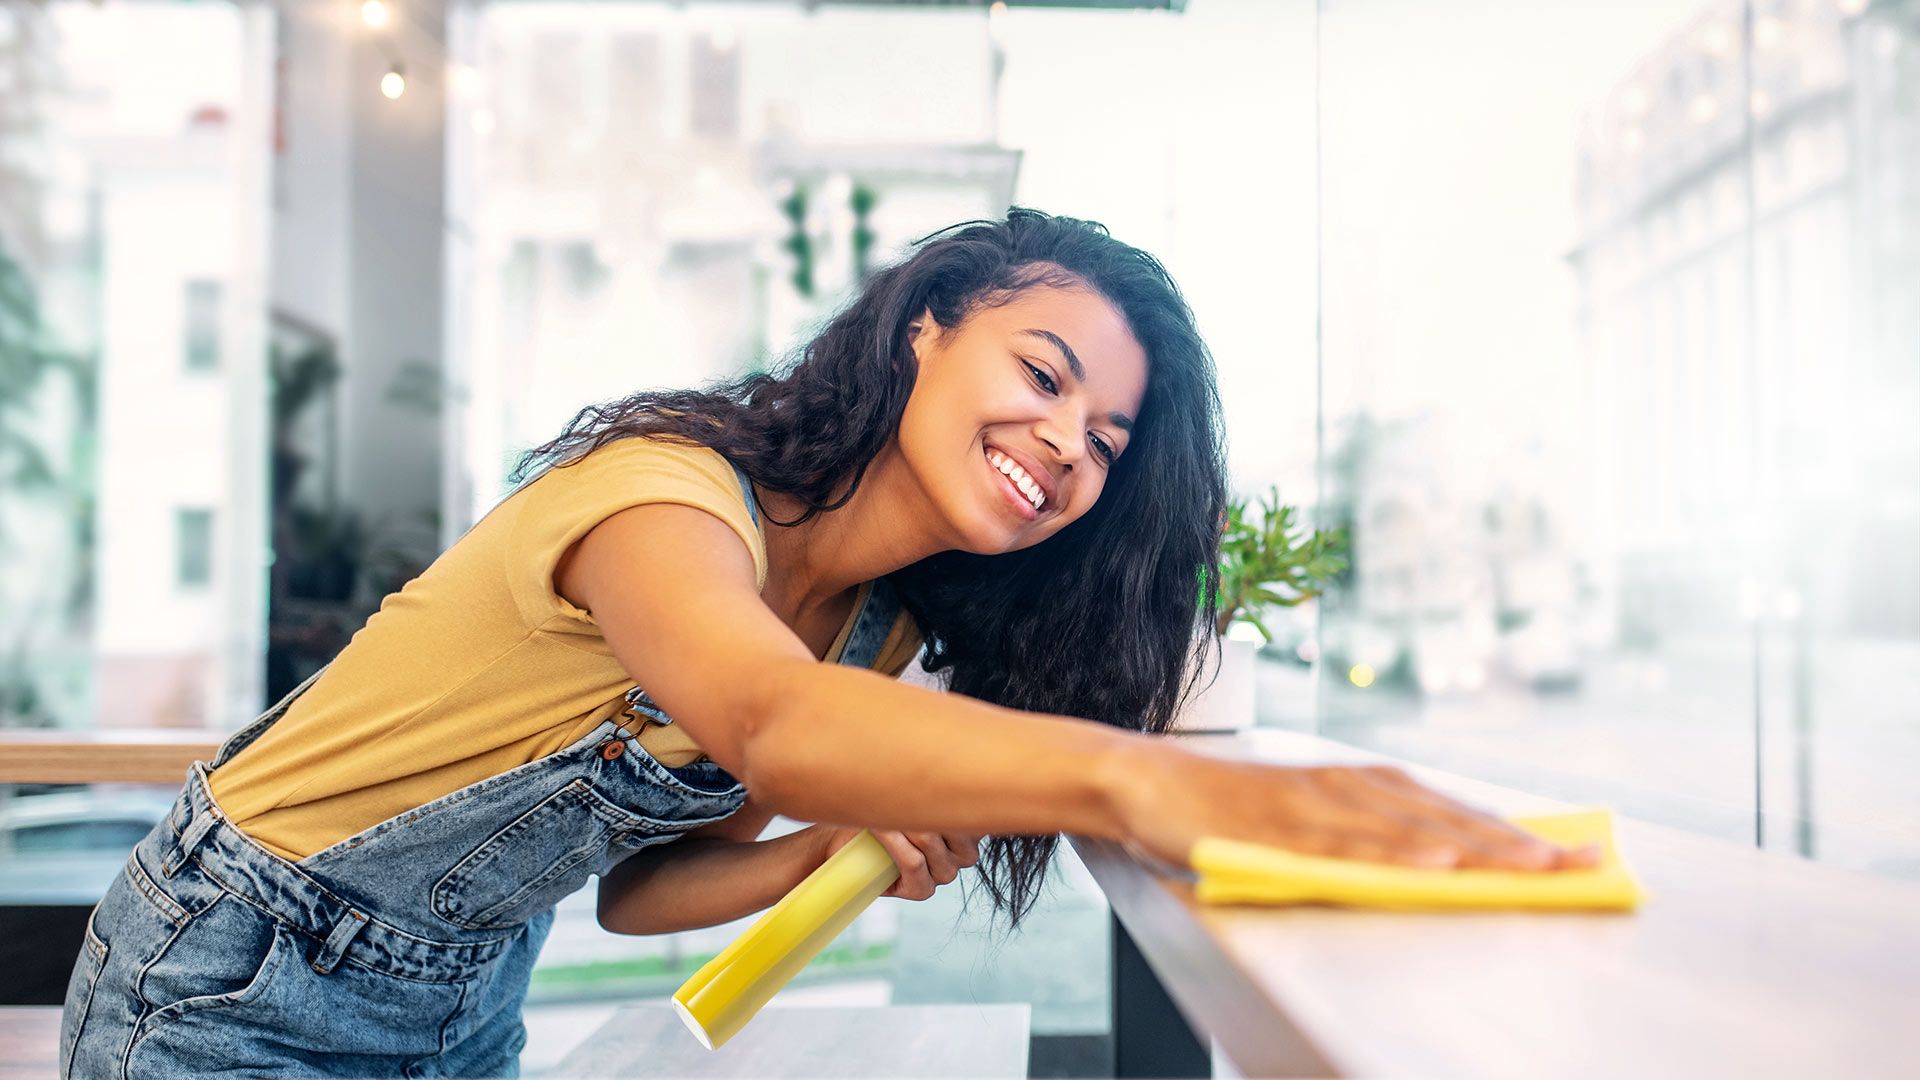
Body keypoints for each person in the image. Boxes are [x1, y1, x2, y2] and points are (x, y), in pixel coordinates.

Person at [58, 208, 1597, 1078]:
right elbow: (769, 723)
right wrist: (1153, 786)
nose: (1066, 443)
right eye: (1044, 373)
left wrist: (813, 853)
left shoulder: (877, 634)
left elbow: (649, 887)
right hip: (230, 972)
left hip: (462, 1002)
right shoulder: (661, 500)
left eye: (1109, 438)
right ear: (927, 322)